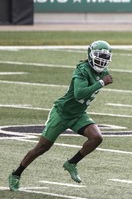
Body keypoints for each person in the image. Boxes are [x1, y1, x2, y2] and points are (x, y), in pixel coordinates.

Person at [8, 40, 114, 191]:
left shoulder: (103, 73)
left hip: (78, 114)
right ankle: (16, 174)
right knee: (42, 147)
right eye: (99, 56)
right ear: (90, 55)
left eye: (105, 57)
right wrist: (101, 83)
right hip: (62, 113)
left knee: (96, 137)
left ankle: (71, 163)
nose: (102, 60)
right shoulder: (82, 70)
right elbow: (78, 94)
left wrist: (101, 81)